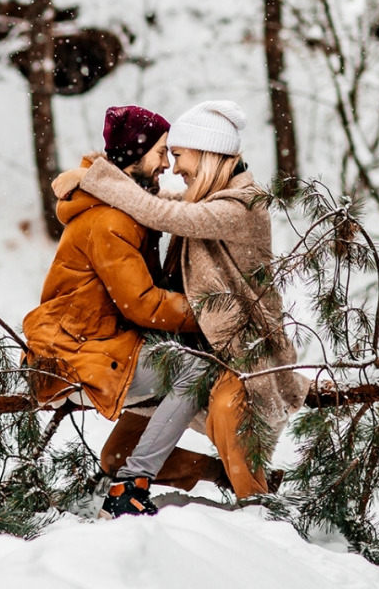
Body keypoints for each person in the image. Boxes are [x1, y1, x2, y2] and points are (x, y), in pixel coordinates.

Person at [67, 100, 309, 502]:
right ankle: (220, 476)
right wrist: (83, 182)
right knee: (117, 455)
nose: (175, 167)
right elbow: (162, 204)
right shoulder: (209, 203)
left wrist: (95, 176)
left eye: (179, 155)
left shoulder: (242, 205)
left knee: (232, 422)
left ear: (206, 152)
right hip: (190, 354)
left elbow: (162, 213)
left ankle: (261, 515)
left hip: (240, 356)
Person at [21, 105, 227, 520]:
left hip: (100, 342)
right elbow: (142, 303)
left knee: (178, 378)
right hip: (77, 353)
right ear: (136, 153)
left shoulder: (124, 205)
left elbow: (169, 207)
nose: (167, 165)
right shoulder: (108, 219)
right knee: (195, 370)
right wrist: (209, 313)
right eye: (161, 153)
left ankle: (219, 471)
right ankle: (130, 486)